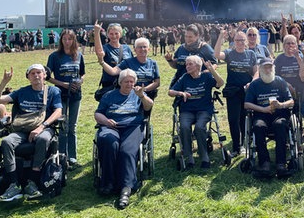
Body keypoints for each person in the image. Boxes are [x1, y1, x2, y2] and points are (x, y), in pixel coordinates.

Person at [0, 64, 63, 201]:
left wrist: (41, 127)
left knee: (42, 139)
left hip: (44, 127)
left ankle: (33, 182)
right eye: (32, 73)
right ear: (28, 77)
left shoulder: (53, 91)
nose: (36, 75)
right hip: (22, 129)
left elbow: (58, 111)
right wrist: (4, 82)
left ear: (45, 75)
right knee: (6, 141)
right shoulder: (22, 92)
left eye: (39, 73)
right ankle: (14, 184)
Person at [94, 69, 154, 209]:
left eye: (132, 81)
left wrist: (142, 97)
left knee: (126, 151)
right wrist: (106, 121)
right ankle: (107, 183)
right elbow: (98, 114)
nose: (129, 84)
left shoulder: (138, 94)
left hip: (132, 127)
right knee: (109, 143)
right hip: (111, 126)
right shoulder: (109, 96)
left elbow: (149, 106)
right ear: (120, 82)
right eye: (126, 81)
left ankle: (126, 188)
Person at [168, 56, 225, 169]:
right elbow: (170, 92)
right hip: (187, 110)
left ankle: (204, 157)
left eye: (190, 64)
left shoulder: (206, 76)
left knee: (199, 127)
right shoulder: (185, 77)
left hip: (204, 110)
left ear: (198, 66)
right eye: (186, 64)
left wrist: (212, 70)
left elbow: (220, 83)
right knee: (184, 127)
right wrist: (181, 93)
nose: (187, 66)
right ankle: (189, 158)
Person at [244, 59, 294, 177]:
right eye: (265, 68)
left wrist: (281, 105)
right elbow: (247, 104)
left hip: (279, 114)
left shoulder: (280, 81)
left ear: (273, 69)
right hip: (261, 114)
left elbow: (291, 101)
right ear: (260, 70)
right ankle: (264, 162)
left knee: (280, 125)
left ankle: (281, 163)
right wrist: (263, 109)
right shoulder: (255, 85)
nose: (268, 70)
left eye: (270, 67)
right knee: (258, 126)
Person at [47, 29, 85, 170]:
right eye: (65, 39)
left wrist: (80, 82)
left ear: (74, 40)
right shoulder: (54, 56)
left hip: (76, 95)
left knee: (72, 127)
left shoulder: (78, 55)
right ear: (61, 40)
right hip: (60, 95)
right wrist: (63, 84)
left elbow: (82, 73)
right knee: (63, 127)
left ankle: (72, 157)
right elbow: (48, 76)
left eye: (70, 39)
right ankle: (62, 156)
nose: (67, 42)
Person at [214, 29, 257, 156]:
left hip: (246, 90)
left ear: (246, 42)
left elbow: (256, 72)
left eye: (242, 40)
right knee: (233, 119)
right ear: (234, 42)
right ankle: (236, 147)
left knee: (244, 118)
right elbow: (216, 54)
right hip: (233, 90)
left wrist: (252, 82)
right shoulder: (229, 53)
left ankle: (244, 144)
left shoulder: (251, 54)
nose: (239, 42)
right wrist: (221, 36)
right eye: (237, 40)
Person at [93, 21, 133, 99]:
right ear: (107, 34)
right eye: (111, 34)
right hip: (110, 85)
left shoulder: (126, 48)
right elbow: (99, 52)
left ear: (120, 34)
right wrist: (97, 33)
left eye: (116, 33)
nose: (114, 36)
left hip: (126, 86)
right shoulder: (106, 48)